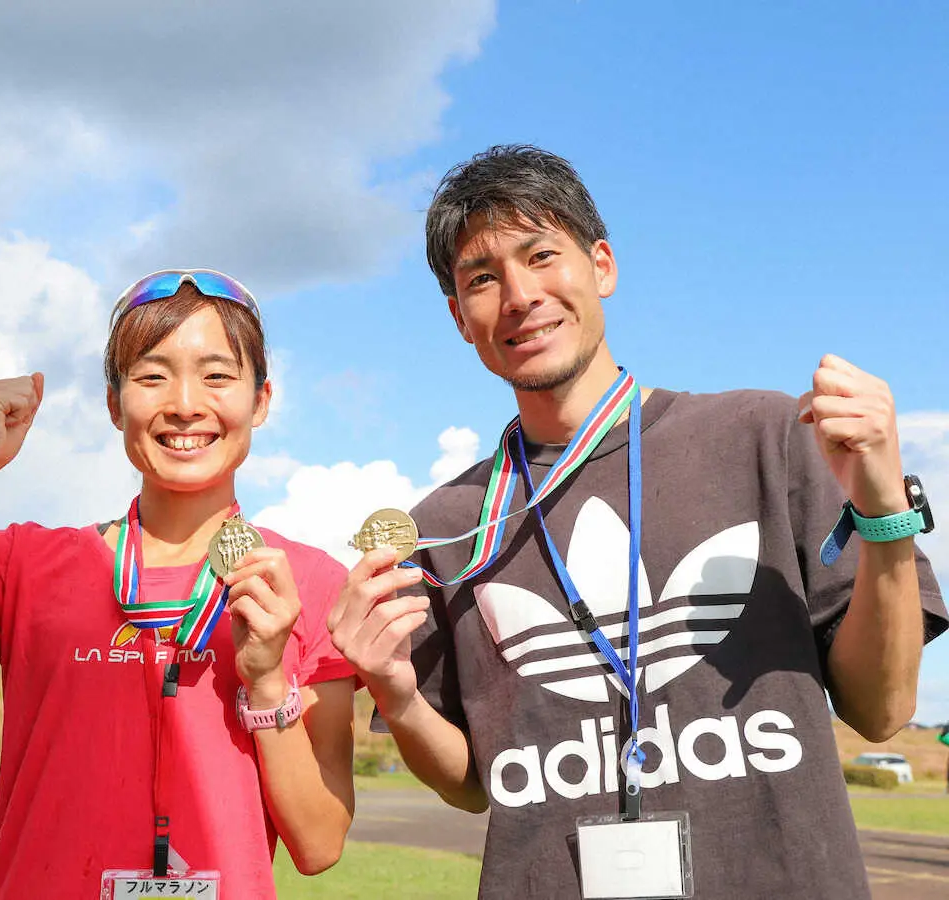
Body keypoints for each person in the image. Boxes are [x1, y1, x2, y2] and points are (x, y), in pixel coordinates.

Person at [329, 145, 946, 898]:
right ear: (461, 318)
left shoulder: (763, 437)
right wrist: (394, 692)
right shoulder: (447, 528)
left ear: (603, 265)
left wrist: (883, 515)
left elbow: (884, 710)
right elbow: (470, 784)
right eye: (482, 279)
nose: (520, 295)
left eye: (541, 254)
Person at [0, 270, 356, 898]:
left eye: (217, 376)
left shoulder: (309, 585)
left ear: (261, 400)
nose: (186, 402)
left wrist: (267, 681)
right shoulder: (21, 565)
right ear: (114, 405)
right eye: (152, 375)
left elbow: (320, 845)